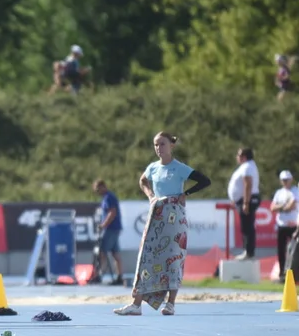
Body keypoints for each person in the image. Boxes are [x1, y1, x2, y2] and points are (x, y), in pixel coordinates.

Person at [114, 132, 210, 316]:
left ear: (171, 146)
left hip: (174, 217)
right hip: (156, 214)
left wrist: (185, 194)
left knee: (173, 258)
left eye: (162, 144)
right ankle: (136, 304)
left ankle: (170, 303)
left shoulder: (179, 168)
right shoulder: (152, 167)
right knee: (146, 256)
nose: (159, 148)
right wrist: (150, 195)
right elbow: (142, 180)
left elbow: (205, 181)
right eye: (156, 145)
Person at [228, 147, 260, 259]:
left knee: (247, 226)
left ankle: (248, 252)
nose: (237, 157)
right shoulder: (246, 166)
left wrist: (246, 202)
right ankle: (247, 251)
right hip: (244, 199)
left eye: (239, 155)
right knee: (246, 226)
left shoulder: (247, 167)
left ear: (244, 157)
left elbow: (248, 184)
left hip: (248, 199)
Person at [92, 179, 124, 285]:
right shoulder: (107, 197)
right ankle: (119, 276)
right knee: (115, 253)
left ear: (103, 187)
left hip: (111, 228)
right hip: (114, 228)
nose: (97, 192)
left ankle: (98, 275)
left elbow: (112, 213)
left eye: (98, 190)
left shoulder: (108, 197)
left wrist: (103, 225)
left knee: (102, 252)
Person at [271, 170, 299, 281]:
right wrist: (283, 206)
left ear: (291, 180)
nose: (285, 182)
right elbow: (272, 207)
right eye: (283, 180)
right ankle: (282, 273)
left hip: (293, 224)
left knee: (293, 250)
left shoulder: (295, 191)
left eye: (287, 180)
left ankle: (293, 272)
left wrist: (281, 207)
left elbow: (291, 206)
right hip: (281, 225)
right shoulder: (279, 193)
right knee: (280, 250)